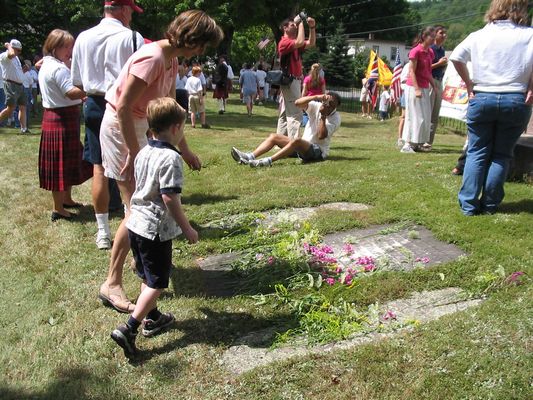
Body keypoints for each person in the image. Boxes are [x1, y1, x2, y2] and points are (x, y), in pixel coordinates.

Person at [98, 10, 222, 314]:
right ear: (193, 38)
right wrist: (135, 154)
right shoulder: (152, 58)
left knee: (142, 206)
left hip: (143, 128)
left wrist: (185, 148)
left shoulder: (172, 60)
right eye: (203, 44)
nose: (202, 52)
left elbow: (168, 112)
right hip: (121, 128)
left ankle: (140, 268)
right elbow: (125, 106)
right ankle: (112, 283)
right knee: (136, 208)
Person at [110, 97, 198, 358]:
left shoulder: (144, 151)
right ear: (174, 128)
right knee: (157, 283)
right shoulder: (171, 158)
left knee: (147, 276)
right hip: (154, 230)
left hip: (135, 224)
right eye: (182, 128)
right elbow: (169, 197)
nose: (182, 133)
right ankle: (129, 328)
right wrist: (188, 228)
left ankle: (153, 317)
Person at [71, 0, 145, 250]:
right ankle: (133, 223)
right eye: (131, 13)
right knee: (131, 164)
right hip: (121, 104)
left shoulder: (82, 37)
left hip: (93, 102)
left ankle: (103, 232)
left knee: (99, 168)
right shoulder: (131, 37)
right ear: (124, 10)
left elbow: (78, 81)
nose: (131, 18)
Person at [450, 0, 532, 216]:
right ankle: (490, 205)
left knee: (476, 152)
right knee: (501, 154)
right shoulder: (529, 34)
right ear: (521, 9)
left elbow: (456, 57)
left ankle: (468, 205)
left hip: (482, 96)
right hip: (516, 98)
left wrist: (469, 85)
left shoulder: (479, 35)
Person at [38, 29, 92, 221]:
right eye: (68, 46)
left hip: (60, 117)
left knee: (67, 161)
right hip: (61, 118)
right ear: (55, 47)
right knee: (59, 164)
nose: (71, 50)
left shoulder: (47, 64)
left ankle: (66, 199)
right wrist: (91, 88)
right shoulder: (58, 68)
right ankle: (58, 208)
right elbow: (70, 92)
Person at [231, 92, 341, 167]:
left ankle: (267, 161)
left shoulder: (336, 118)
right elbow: (297, 103)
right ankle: (249, 156)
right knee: (274, 137)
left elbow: (321, 135)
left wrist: (323, 116)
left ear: (336, 107)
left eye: (331, 105)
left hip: (318, 151)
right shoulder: (317, 105)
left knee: (297, 140)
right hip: (302, 147)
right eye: (327, 102)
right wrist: (317, 96)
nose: (327, 105)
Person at [276, 13, 316, 139]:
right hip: (290, 80)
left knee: (285, 114)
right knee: (296, 113)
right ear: (285, 28)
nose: (295, 26)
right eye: (292, 25)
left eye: (295, 24)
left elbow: (311, 43)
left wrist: (312, 28)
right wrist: (300, 23)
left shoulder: (293, 43)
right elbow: (300, 41)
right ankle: (294, 144)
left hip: (294, 81)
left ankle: (280, 142)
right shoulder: (284, 42)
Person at [401, 26, 436, 153]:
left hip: (425, 87)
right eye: (431, 36)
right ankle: (407, 144)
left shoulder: (430, 52)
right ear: (424, 37)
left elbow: (428, 71)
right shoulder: (415, 51)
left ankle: (418, 143)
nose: (433, 39)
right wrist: (416, 89)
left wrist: (434, 85)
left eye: (434, 36)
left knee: (424, 117)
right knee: (413, 115)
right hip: (413, 87)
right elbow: (411, 71)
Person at [0, 39, 30, 134]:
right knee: (11, 108)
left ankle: (23, 129)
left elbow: (17, 71)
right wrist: (8, 46)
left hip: (20, 85)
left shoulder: (16, 58)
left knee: (23, 107)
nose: (19, 52)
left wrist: (24, 70)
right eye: (17, 50)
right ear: (12, 48)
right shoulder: (4, 55)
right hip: (11, 84)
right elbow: (11, 54)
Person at [427, 25, 448, 149]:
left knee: (435, 113)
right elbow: (425, 68)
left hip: (439, 81)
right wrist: (439, 63)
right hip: (431, 81)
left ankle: (429, 142)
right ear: (435, 34)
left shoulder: (442, 50)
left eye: (445, 33)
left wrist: (443, 66)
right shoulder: (430, 49)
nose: (444, 35)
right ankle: (422, 139)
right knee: (428, 111)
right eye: (441, 33)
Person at [396, 63, 410, 148]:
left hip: (412, 92)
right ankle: (400, 138)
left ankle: (409, 139)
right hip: (406, 91)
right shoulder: (408, 66)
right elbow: (403, 80)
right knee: (404, 116)